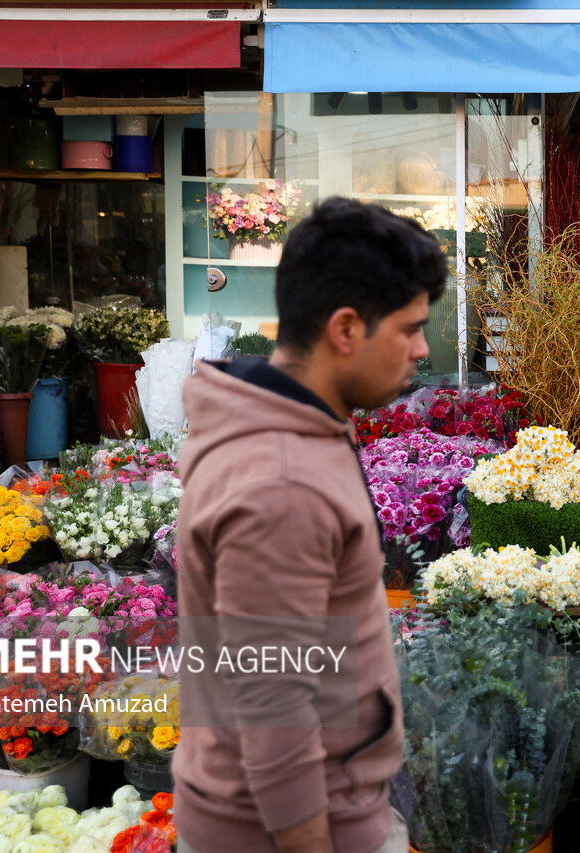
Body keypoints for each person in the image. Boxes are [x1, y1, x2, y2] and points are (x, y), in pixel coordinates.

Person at [174, 197, 446, 853]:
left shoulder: (297, 428)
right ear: (345, 329)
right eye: (409, 327)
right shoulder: (282, 481)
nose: (422, 348)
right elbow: (273, 709)